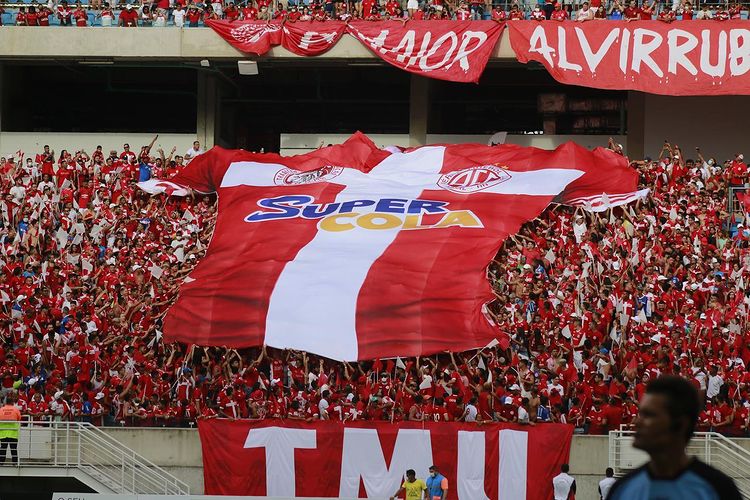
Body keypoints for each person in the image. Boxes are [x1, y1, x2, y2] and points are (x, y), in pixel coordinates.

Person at [608, 376, 741, 500]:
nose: (637, 422)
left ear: (680, 424)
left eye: (649, 415)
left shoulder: (718, 489)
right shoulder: (622, 489)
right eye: (640, 413)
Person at [0, 393, 21, 465]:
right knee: (13, 449)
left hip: (3, 433)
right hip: (13, 433)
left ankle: (1, 462)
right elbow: (19, 418)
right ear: (12, 402)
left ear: (6, 402)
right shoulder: (15, 409)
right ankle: (14, 463)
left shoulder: (1, 410)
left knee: (3, 448)